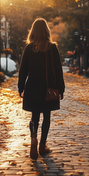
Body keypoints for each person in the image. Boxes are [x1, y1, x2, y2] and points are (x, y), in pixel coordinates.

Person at [18, 18, 65, 160]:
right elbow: (58, 70)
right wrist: (61, 89)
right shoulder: (52, 48)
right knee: (47, 117)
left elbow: (23, 70)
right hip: (48, 88)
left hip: (32, 87)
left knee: (35, 116)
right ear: (46, 31)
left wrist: (21, 87)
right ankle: (42, 145)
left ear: (33, 31)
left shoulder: (29, 48)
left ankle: (33, 138)